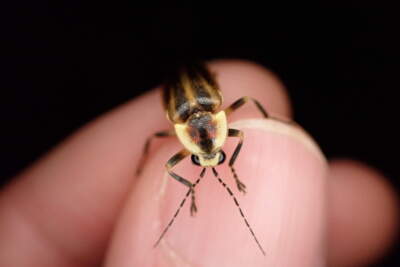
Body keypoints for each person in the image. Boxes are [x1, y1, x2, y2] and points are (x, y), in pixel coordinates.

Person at [0, 60, 397, 266]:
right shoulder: (196, 129)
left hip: (192, 88)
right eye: (210, 155)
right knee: (162, 152)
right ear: (190, 139)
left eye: (216, 156)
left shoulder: (217, 125)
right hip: (191, 89)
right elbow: (177, 165)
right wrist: (197, 187)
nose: (210, 157)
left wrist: (234, 171)